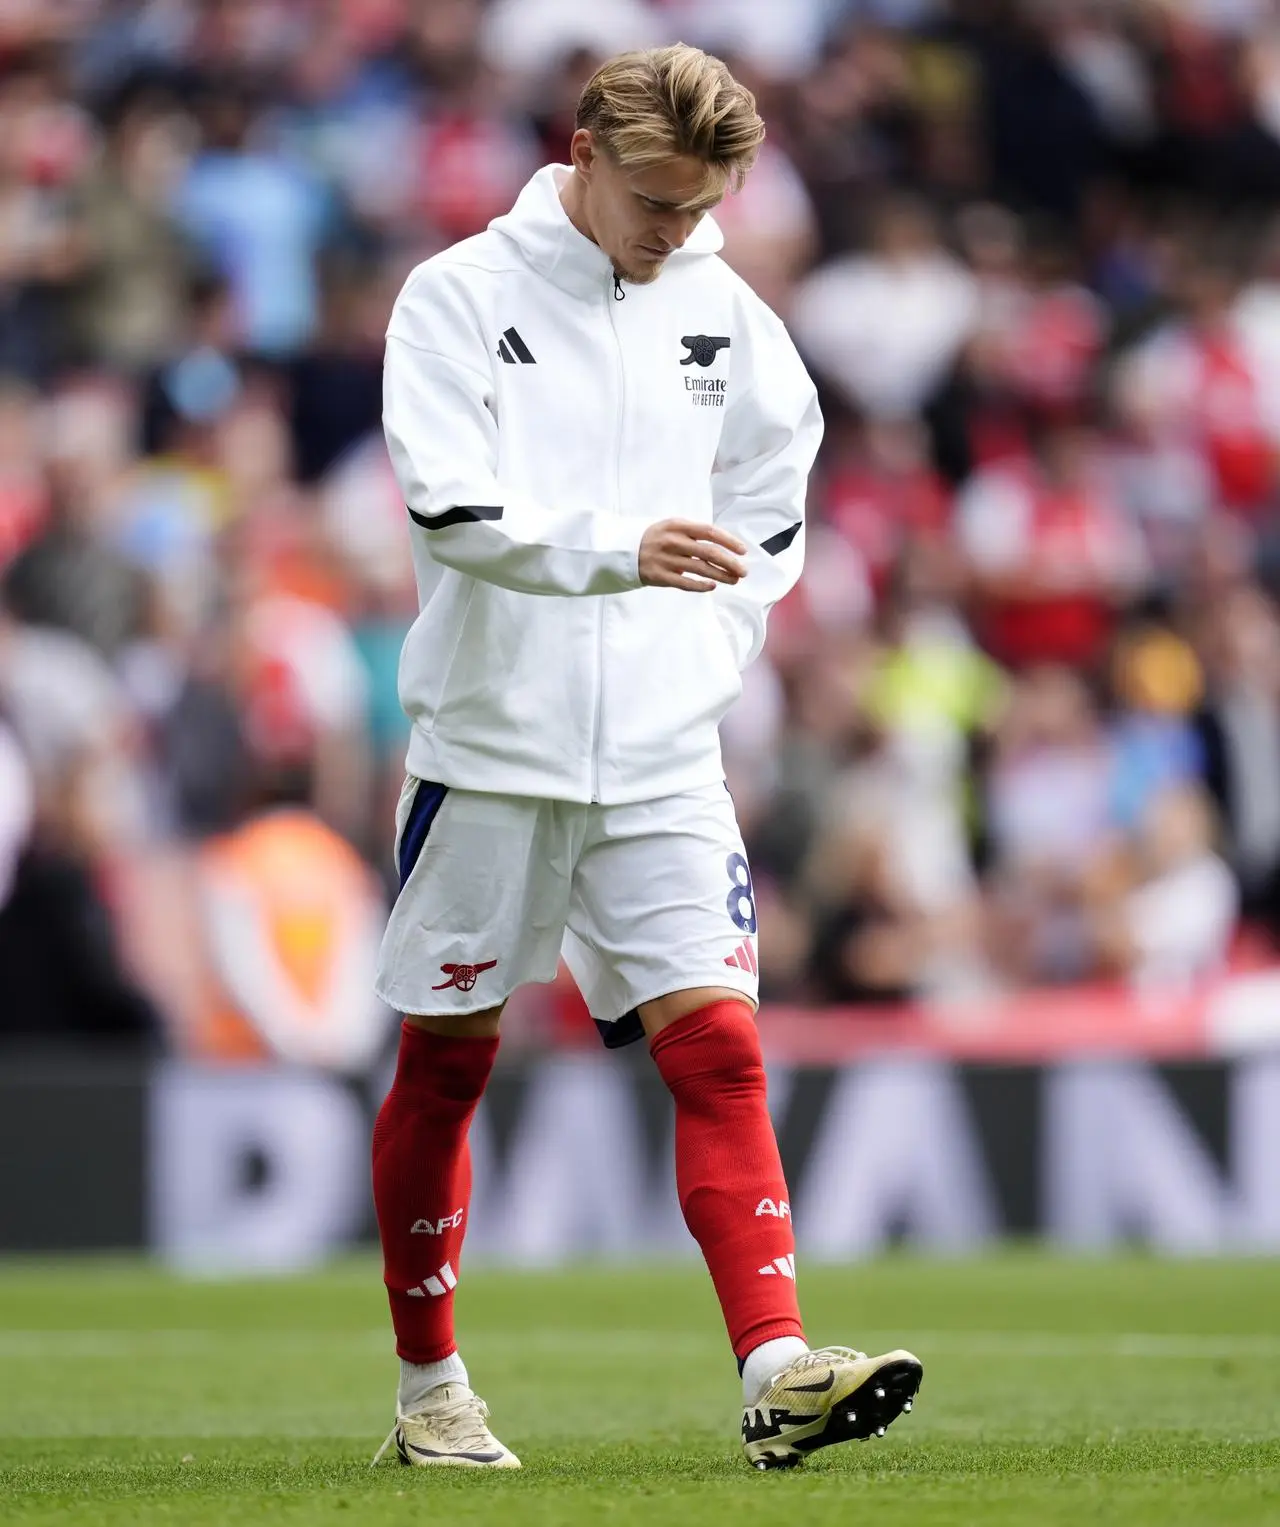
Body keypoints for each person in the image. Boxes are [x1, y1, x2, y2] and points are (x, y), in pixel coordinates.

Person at [370, 43, 922, 1474]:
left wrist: (716, 636)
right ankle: (431, 1386)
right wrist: (624, 559)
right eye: (656, 201)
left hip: (665, 757)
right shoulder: (459, 295)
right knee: (447, 1061)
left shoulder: (726, 315)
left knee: (723, 1052)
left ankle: (778, 1366)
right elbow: (448, 509)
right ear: (582, 152)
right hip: (491, 745)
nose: (676, 231)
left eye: (701, 206)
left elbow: (774, 496)